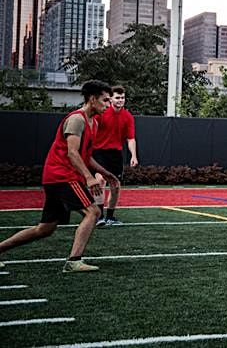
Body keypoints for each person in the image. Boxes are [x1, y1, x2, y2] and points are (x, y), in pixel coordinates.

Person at [0, 80, 120, 273]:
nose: (108, 104)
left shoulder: (94, 123)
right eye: (105, 100)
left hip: (60, 177)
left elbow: (85, 156)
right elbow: (72, 153)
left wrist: (105, 173)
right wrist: (89, 178)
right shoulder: (77, 119)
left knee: (45, 229)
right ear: (92, 99)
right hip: (62, 175)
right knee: (94, 212)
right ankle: (74, 261)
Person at [93, 85, 139, 226]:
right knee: (100, 181)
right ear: (111, 99)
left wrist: (133, 156)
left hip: (115, 154)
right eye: (117, 97)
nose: (120, 100)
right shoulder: (101, 113)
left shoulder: (127, 116)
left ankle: (110, 217)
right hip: (99, 151)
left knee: (116, 186)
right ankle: (99, 217)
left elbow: (130, 139)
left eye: (123, 98)